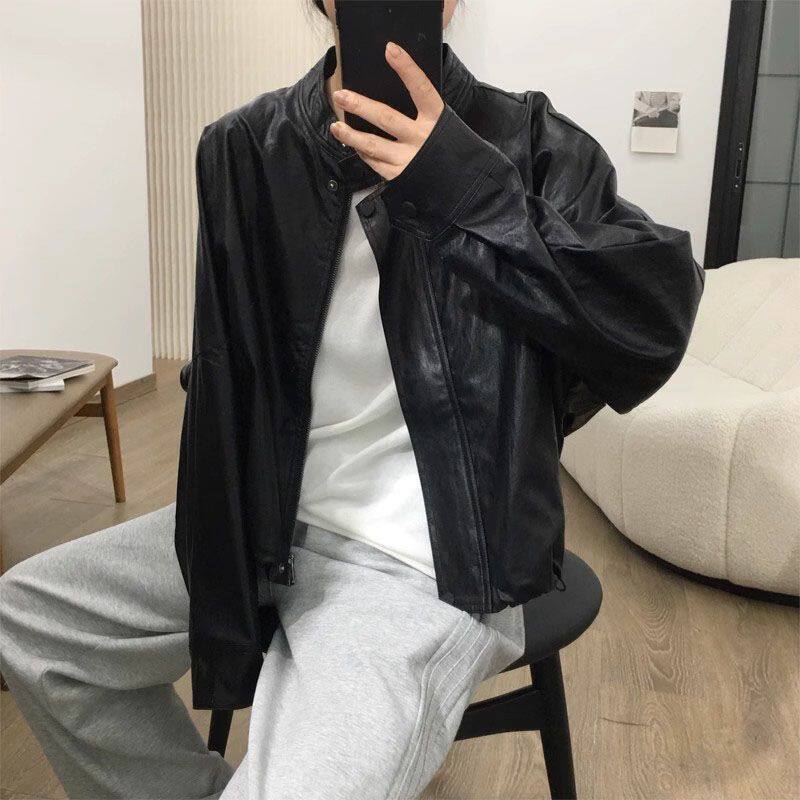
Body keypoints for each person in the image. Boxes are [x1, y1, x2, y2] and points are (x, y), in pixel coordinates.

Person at [0, 1, 705, 798]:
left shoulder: (531, 143)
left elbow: (650, 326)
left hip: (427, 559)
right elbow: (229, 359)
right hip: (259, 525)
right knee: (33, 620)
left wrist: (466, 188)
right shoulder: (246, 147)